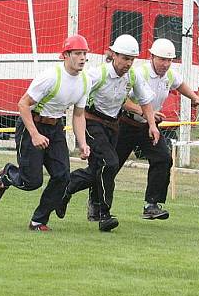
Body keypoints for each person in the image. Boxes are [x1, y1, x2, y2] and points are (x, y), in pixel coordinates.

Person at [58, 34, 160, 232]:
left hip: (113, 125)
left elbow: (145, 101)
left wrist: (152, 126)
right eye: (124, 58)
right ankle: (104, 214)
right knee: (110, 163)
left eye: (131, 59)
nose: (128, 63)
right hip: (92, 122)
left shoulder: (133, 76)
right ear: (113, 55)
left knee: (97, 171)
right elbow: (78, 98)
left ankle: (65, 188)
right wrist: (81, 140)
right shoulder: (97, 74)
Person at [0, 34, 91, 231]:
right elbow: (23, 104)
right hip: (32, 125)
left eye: (84, 54)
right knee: (31, 182)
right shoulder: (51, 77)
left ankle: (39, 220)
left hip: (55, 128)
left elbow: (78, 115)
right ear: (66, 55)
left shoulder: (85, 81)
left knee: (63, 177)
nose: (82, 58)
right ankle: (8, 175)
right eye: (77, 53)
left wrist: (83, 143)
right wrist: (35, 134)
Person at [111, 38, 199, 220]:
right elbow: (122, 100)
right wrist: (145, 112)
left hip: (148, 127)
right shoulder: (138, 73)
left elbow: (180, 85)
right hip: (126, 125)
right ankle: (96, 203)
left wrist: (194, 97)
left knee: (163, 158)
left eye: (169, 60)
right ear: (152, 56)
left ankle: (151, 204)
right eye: (162, 59)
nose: (166, 64)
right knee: (111, 165)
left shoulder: (170, 75)